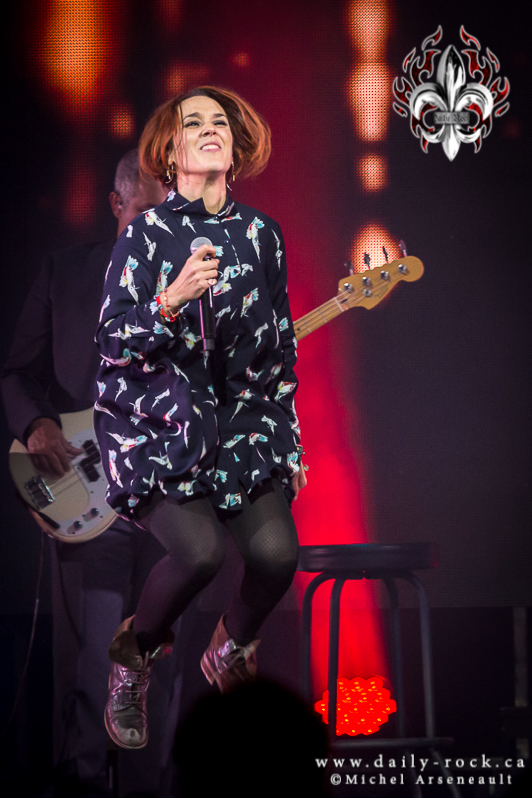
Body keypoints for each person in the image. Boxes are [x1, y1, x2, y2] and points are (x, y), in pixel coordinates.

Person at [94, 86, 307, 751]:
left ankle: (231, 646)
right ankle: (134, 657)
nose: (210, 129)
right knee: (201, 553)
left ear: (235, 150)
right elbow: (112, 339)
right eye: (194, 123)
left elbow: (280, 348)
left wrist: (290, 442)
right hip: (160, 424)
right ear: (171, 150)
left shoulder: (262, 235)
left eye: (220, 123)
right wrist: (170, 300)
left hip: (242, 426)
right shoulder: (145, 235)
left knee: (277, 555)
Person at [1, 151, 184, 798]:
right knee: (88, 665)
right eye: (146, 212)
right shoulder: (66, 272)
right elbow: (16, 373)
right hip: (88, 491)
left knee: (157, 666)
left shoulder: (196, 282)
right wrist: (36, 427)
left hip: (169, 500)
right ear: (116, 204)